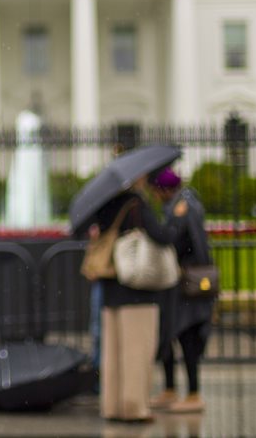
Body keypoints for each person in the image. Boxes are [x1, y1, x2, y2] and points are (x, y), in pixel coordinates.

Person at [92, 180, 179, 423]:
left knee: (113, 353)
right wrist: (173, 223)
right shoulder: (136, 204)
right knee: (136, 352)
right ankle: (134, 408)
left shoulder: (105, 205)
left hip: (111, 290)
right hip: (136, 289)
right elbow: (161, 236)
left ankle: (112, 406)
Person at [148, 166, 214, 414]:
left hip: (187, 284)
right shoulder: (177, 205)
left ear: (163, 189)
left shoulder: (185, 206)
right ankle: (170, 388)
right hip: (176, 284)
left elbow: (190, 243)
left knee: (187, 335)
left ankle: (194, 393)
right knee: (169, 334)